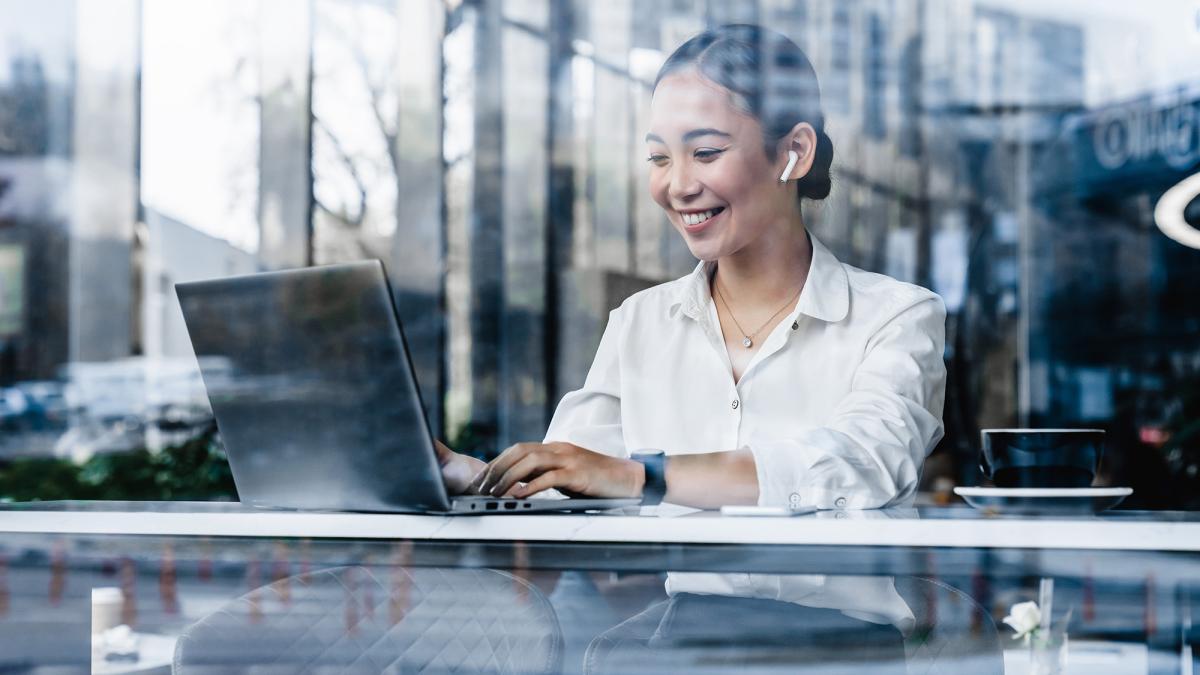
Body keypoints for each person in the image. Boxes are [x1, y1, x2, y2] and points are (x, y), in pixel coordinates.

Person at [434, 24, 947, 671]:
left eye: (704, 152)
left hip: (842, 653)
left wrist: (643, 474)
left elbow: (858, 466)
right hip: (684, 646)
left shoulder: (898, 315)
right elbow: (573, 479)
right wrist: (470, 475)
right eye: (658, 157)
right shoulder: (641, 322)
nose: (677, 185)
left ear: (793, 151)